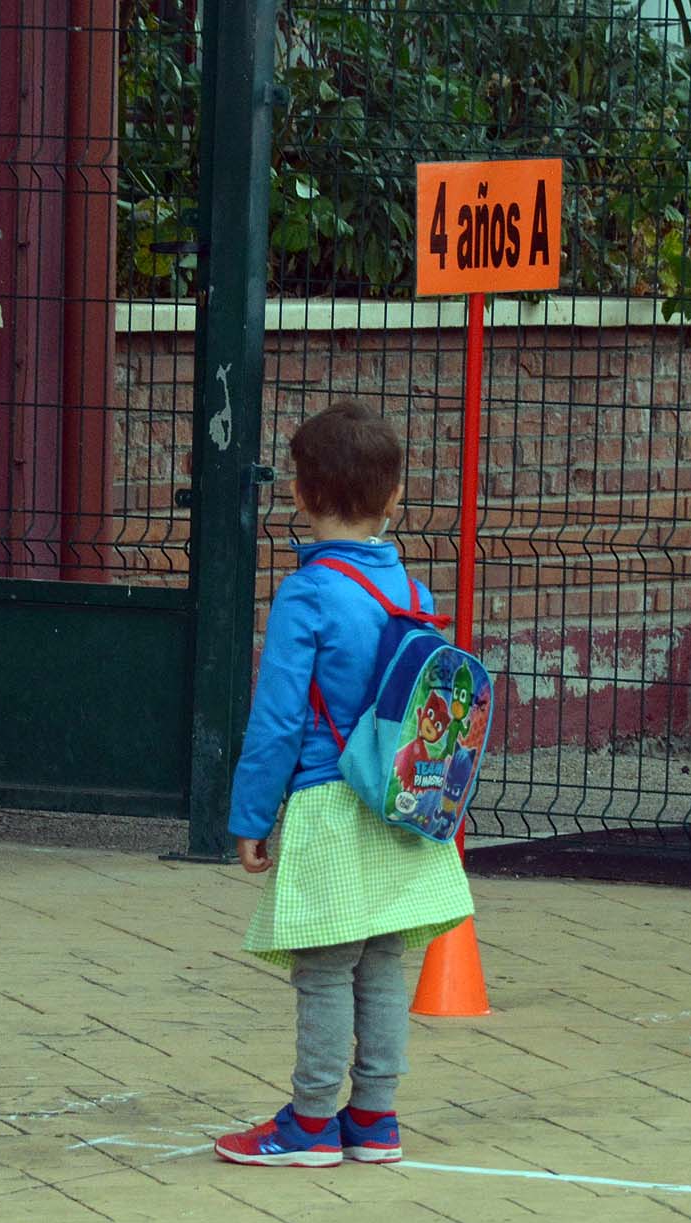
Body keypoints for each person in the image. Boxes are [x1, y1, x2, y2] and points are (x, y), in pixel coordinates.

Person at [214, 401, 473, 1168]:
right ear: (396, 498)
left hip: (330, 803)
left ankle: (310, 1122)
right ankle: (375, 1118)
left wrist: (250, 815)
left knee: (323, 969)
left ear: (296, 492)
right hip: (400, 805)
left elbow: (277, 719)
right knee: (385, 962)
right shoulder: (414, 594)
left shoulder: (308, 594)